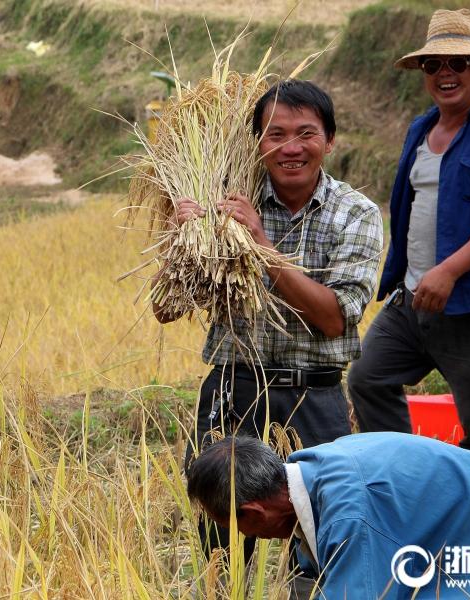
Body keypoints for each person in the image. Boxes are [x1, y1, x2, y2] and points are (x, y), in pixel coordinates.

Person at [154, 80, 384, 563]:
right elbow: (165, 310)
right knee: (224, 535)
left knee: (327, 528)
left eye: (306, 133)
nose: (291, 148)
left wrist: (260, 243)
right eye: (275, 135)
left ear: (330, 140)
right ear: (256, 142)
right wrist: (182, 245)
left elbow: (333, 319)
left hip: (314, 394)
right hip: (233, 389)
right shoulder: (222, 207)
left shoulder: (355, 214)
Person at [347, 8, 470, 465]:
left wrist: (449, 271)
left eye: (458, 62)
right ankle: (406, 476)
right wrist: (411, 277)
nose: (445, 73)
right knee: (368, 378)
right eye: (433, 64)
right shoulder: (422, 128)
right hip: (414, 297)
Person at [188, 434, 470, 599]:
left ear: (253, 512)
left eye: (234, 527)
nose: (242, 537)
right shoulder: (312, 470)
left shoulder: (350, 515)